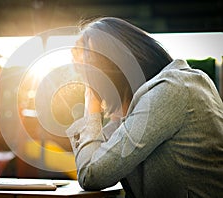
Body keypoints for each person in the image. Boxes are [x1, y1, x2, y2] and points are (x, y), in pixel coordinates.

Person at [66, 17, 223, 198]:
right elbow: (94, 161)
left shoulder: (173, 89)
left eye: (91, 75)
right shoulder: (146, 102)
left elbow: (92, 175)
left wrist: (90, 100)